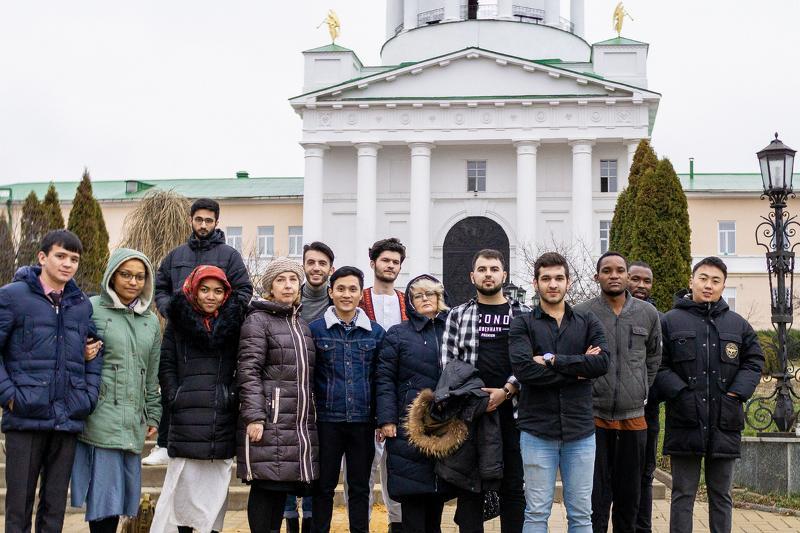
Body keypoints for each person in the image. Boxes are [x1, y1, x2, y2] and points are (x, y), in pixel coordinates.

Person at [0, 229, 103, 533]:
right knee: (18, 509)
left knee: (54, 509)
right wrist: (10, 397)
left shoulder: (81, 304)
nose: (68, 264)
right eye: (61, 256)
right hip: (25, 416)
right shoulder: (12, 296)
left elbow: (96, 349)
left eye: (74, 259)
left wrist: (87, 397)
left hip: (66, 418)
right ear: (42, 257)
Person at [658, 257, 763, 533]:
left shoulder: (738, 325)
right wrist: (680, 393)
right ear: (691, 281)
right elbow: (658, 364)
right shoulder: (670, 322)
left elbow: (754, 361)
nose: (708, 285)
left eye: (716, 281)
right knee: (682, 494)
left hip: (724, 420)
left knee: (722, 495)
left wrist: (736, 393)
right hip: (685, 419)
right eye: (703, 278)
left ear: (723, 286)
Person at [145, 198, 253, 466]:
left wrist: (225, 318)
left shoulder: (229, 256)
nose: (203, 225)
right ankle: (164, 444)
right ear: (191, 220)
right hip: (181, 328)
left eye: (208, 220)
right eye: (199, 220)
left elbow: (243, 290)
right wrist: (172, 311)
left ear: (216, 222)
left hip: (217, 331)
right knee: (174, 382)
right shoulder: (176, 255)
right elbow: (161, 287)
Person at [509, 251, 609, 533]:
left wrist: (552, 360)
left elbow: (601, 363)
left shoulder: (588, 321)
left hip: (580, 433)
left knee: (581, 515)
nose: (552, 284)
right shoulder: (522, 324)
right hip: (537, 432)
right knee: (536, 513)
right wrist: (579, 369)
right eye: (546, 278)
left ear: (568, 282)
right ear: (535, 282)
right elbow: (525, 371)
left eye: (558, 278)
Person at [70, 249, 162, 533]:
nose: (133, 282)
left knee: (120, 499)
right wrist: (82, 354)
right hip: (100, 415)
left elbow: (151, 373)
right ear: (112, 275)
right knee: (103, 499)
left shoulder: (150, 320)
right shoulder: (91, 308)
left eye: (140, 276)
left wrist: (153, 413)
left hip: (132, 419)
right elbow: (70, 355)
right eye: (126, 275)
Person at [150, 265, 242, 533]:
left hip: (219, 421)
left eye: (218, 291)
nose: (211, 296)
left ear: (225, 294)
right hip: (185, 418)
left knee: (213, 499)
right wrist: (174, 395)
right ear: (193, 290)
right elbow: (167, 364)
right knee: (182, 498)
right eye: (205, 290)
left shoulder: (235, 324)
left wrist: (230, 395)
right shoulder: (178, 323)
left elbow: (244, 364)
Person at [441, 249, 528, 533]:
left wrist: (507, 390)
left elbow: (531, 362)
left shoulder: (523, 315)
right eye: (482, 269)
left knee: (513, 487)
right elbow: (449, 366)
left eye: (493, 269)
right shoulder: (457, 315)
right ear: (472, 276)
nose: (488, 274)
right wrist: (479, 398)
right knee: (470, 488)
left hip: (514, 414)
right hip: (472, 415)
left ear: (504, 275)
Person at [574, 252, 662, 533]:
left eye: (620, 270)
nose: (614, 275)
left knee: (629, 498)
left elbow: (653, 358)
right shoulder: (582, 313)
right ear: (596, 276)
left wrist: (641, 388)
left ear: (627, 275)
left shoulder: (647, 314)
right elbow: (574, 358)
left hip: (633, 418)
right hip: (593, 418)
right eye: (607, 270)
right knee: (595, 498)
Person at [237, 258, 319, 533]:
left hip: (296, 424)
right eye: (280, 280)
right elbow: (248, 370)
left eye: (293, 279)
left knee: (280, 487)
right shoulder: (257, 320)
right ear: (270, 287)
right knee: (265, 487)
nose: (287, 285)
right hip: (268, 420)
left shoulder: (301, 325)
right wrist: (255, 417)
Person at [310, 266, 385, 533]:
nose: (346, 294)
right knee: (323, 487)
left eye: (353, 289)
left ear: (361, 294)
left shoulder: (375, 332)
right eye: (340, 289)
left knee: (360, 487)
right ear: (331, 292)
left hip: (363, 422)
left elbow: (381, 379)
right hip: (327, 422)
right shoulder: (315, 330)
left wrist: (381, 418)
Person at [376, 274, 450, 533]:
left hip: (444, 426)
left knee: (436, 501)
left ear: (440, 298)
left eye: (430, 293)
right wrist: (386, 419)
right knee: (412, 504)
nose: (425, 299)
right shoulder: (398, 334)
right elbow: (384, 378)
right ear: (410, 302)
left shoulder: (451, 331)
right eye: (418, 295)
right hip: (408, 427)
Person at [354, 237, 407, 532]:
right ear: (373, 263)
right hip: (361, 395)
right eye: (385, 260)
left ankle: (395, 524)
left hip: (397, 398)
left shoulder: (407, 302)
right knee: (362, 471)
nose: (390, 266)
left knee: (395, 468)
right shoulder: (357, 299)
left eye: (395, 262)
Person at [283, 241, 335, 533]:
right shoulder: (290, 299)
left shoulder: (336, 303)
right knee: (289, 456)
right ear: (304, 265)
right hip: (290, 390)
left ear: (330, 269)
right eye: (311, 262)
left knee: (317, 459)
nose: (316, 268)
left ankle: (311, 520)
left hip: (324, 392)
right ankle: (290, 517)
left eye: (322, 263)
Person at [628, 260, 665, 533]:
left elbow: (662, 363)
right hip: (608, 411)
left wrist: (648, 390)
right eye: (636, 279)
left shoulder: (658, 318)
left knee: (644, 474)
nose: (641, 285)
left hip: (646, 411)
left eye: (647, 281)